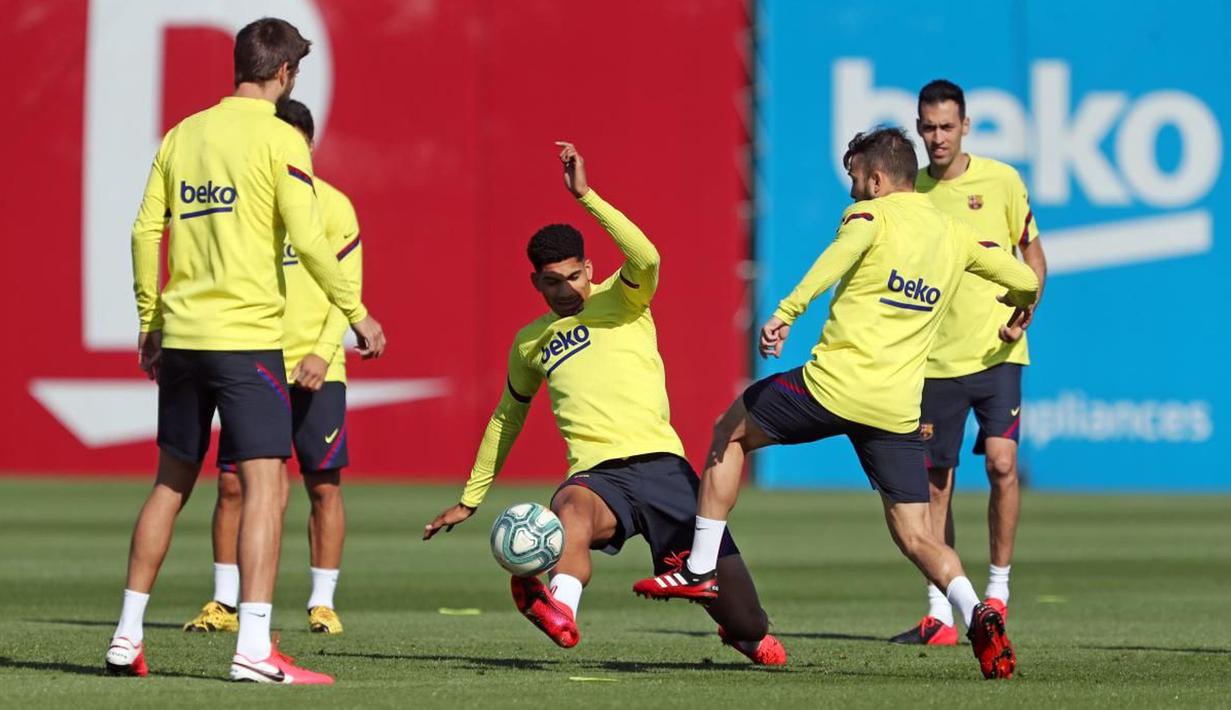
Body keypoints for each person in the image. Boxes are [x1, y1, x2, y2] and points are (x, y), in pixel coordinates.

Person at [632, 127, 1037, 680]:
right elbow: (1022, 275)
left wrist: (785, 313)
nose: (851, 192)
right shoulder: (956, 233)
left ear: (875, 179)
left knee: (728, 431)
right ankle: (977, 613)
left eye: (854, 180)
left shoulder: (870, 218)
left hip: (832, 388)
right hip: (896, 408)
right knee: (918, 535)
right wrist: (1019, 305)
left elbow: (834, 260)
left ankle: (701, 566)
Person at [423, 142, 785, 665]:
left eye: (574, 275)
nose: (567, 289)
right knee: (568, 512)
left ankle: (740, 631)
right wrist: (471, 497)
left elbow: (647, 256)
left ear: (589, 267)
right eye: (552, 282)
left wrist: (586, 196)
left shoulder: (625, 296)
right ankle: (561, 611)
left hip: (665, 469)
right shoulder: (531, 342)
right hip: (597, 476)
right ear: (536, 282)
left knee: (754, 629)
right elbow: (507, 417)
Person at [107, 18, 385, 684]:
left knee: (171, 483)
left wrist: (150, 322)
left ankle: (124, 636)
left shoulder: (184, 133)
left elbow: (146, 231)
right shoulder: (281, 138)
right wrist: (357, 313)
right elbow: (311, 239)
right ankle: (254, 648)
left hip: (181, 336)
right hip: (245, 340)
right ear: (285, 73)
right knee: (266, 485)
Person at [183, 99, 361, 637]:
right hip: (253, 360)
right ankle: (224, 602)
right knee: (233, 485)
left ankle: (322, 602)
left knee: (323, 486)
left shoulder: (333, 207)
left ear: (308, 145)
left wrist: (322, 352)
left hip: (316, 365)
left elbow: (346, 289)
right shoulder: (249, 205)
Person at [888, 80, 1048, 646]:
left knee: (1003, 464)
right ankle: (940, 612)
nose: (936, 137)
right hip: (932, 361)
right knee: (935, 484)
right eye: (927, 127)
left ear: (965, 126)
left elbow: (1031, 254)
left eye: (946, 127)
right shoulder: (909, 194)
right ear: (917, 127)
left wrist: (1025, 308)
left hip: (997, 350)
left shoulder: (1001, 182)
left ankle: (998, 593)